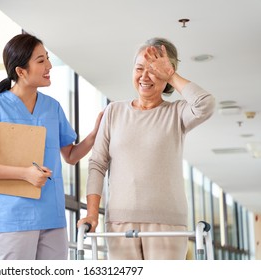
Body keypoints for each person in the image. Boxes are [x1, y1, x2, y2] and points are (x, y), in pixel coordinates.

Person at [0, 33, 102, 260]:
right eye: (41, 61)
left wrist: (95, 134)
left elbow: (70, 155)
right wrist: (25, 174)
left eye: (47, 58)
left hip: (53, 217)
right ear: (21, 71)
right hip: (14, 218)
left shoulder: (53, 108)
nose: (49, 65)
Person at [77, 37, 215, 260]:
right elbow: (97, 164)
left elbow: (205, 104)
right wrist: (92, 214)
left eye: (154, 70)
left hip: (167, 222)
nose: (144, 76)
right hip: (119, 223)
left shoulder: (177, 113)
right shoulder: (113, 111)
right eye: (139, 68)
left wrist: (171, 74)